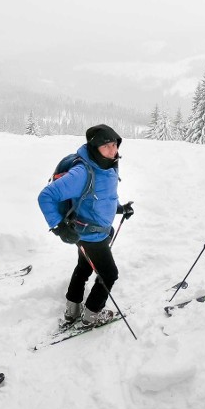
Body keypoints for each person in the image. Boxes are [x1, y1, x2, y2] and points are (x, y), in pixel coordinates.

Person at [38, 124, 134, 329]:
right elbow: (46, 196)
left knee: (83, 267)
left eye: (115, 145)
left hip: (90, 231)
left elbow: (100, 198)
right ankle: (91, 314)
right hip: (90, 235)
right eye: (106, 146)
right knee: (109, 274)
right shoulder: (82, 172)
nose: (113, 150)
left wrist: (120, 209)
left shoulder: (107, 166)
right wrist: (59, 228)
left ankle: (72, 310)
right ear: (94, 147)